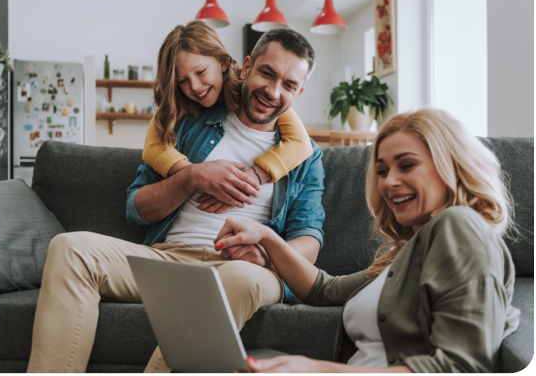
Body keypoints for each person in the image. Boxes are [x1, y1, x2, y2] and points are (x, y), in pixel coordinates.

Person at [27, 27, 325, 373]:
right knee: (69, 248)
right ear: (245, 67)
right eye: (266, 73)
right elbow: (136, 208)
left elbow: (309, 241)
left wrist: (267, 251)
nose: (273, 91)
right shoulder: (189, 120)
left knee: (240, 280)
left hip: (245, 269)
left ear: (299, 92)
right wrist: (192, 176)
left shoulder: (306, 157)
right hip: (170, 259)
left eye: (288, 85)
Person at [214, 109, 521, 373]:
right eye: (382, 170)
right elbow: (323, 290)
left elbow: (462, 368)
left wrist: (317, 369)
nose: (388, 182)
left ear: (451, 167)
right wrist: (266, 236)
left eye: (407, 165)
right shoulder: (406, 255)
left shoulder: (460, 227)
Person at [142, 20, 313, 214]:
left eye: (201, 72)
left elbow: (301, 144)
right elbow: (153, 149)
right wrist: (197, 174)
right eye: (183, 80)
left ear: (223, 62)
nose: (196, 86)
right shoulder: (179, 108)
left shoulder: (257, 95)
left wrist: (250, 178)